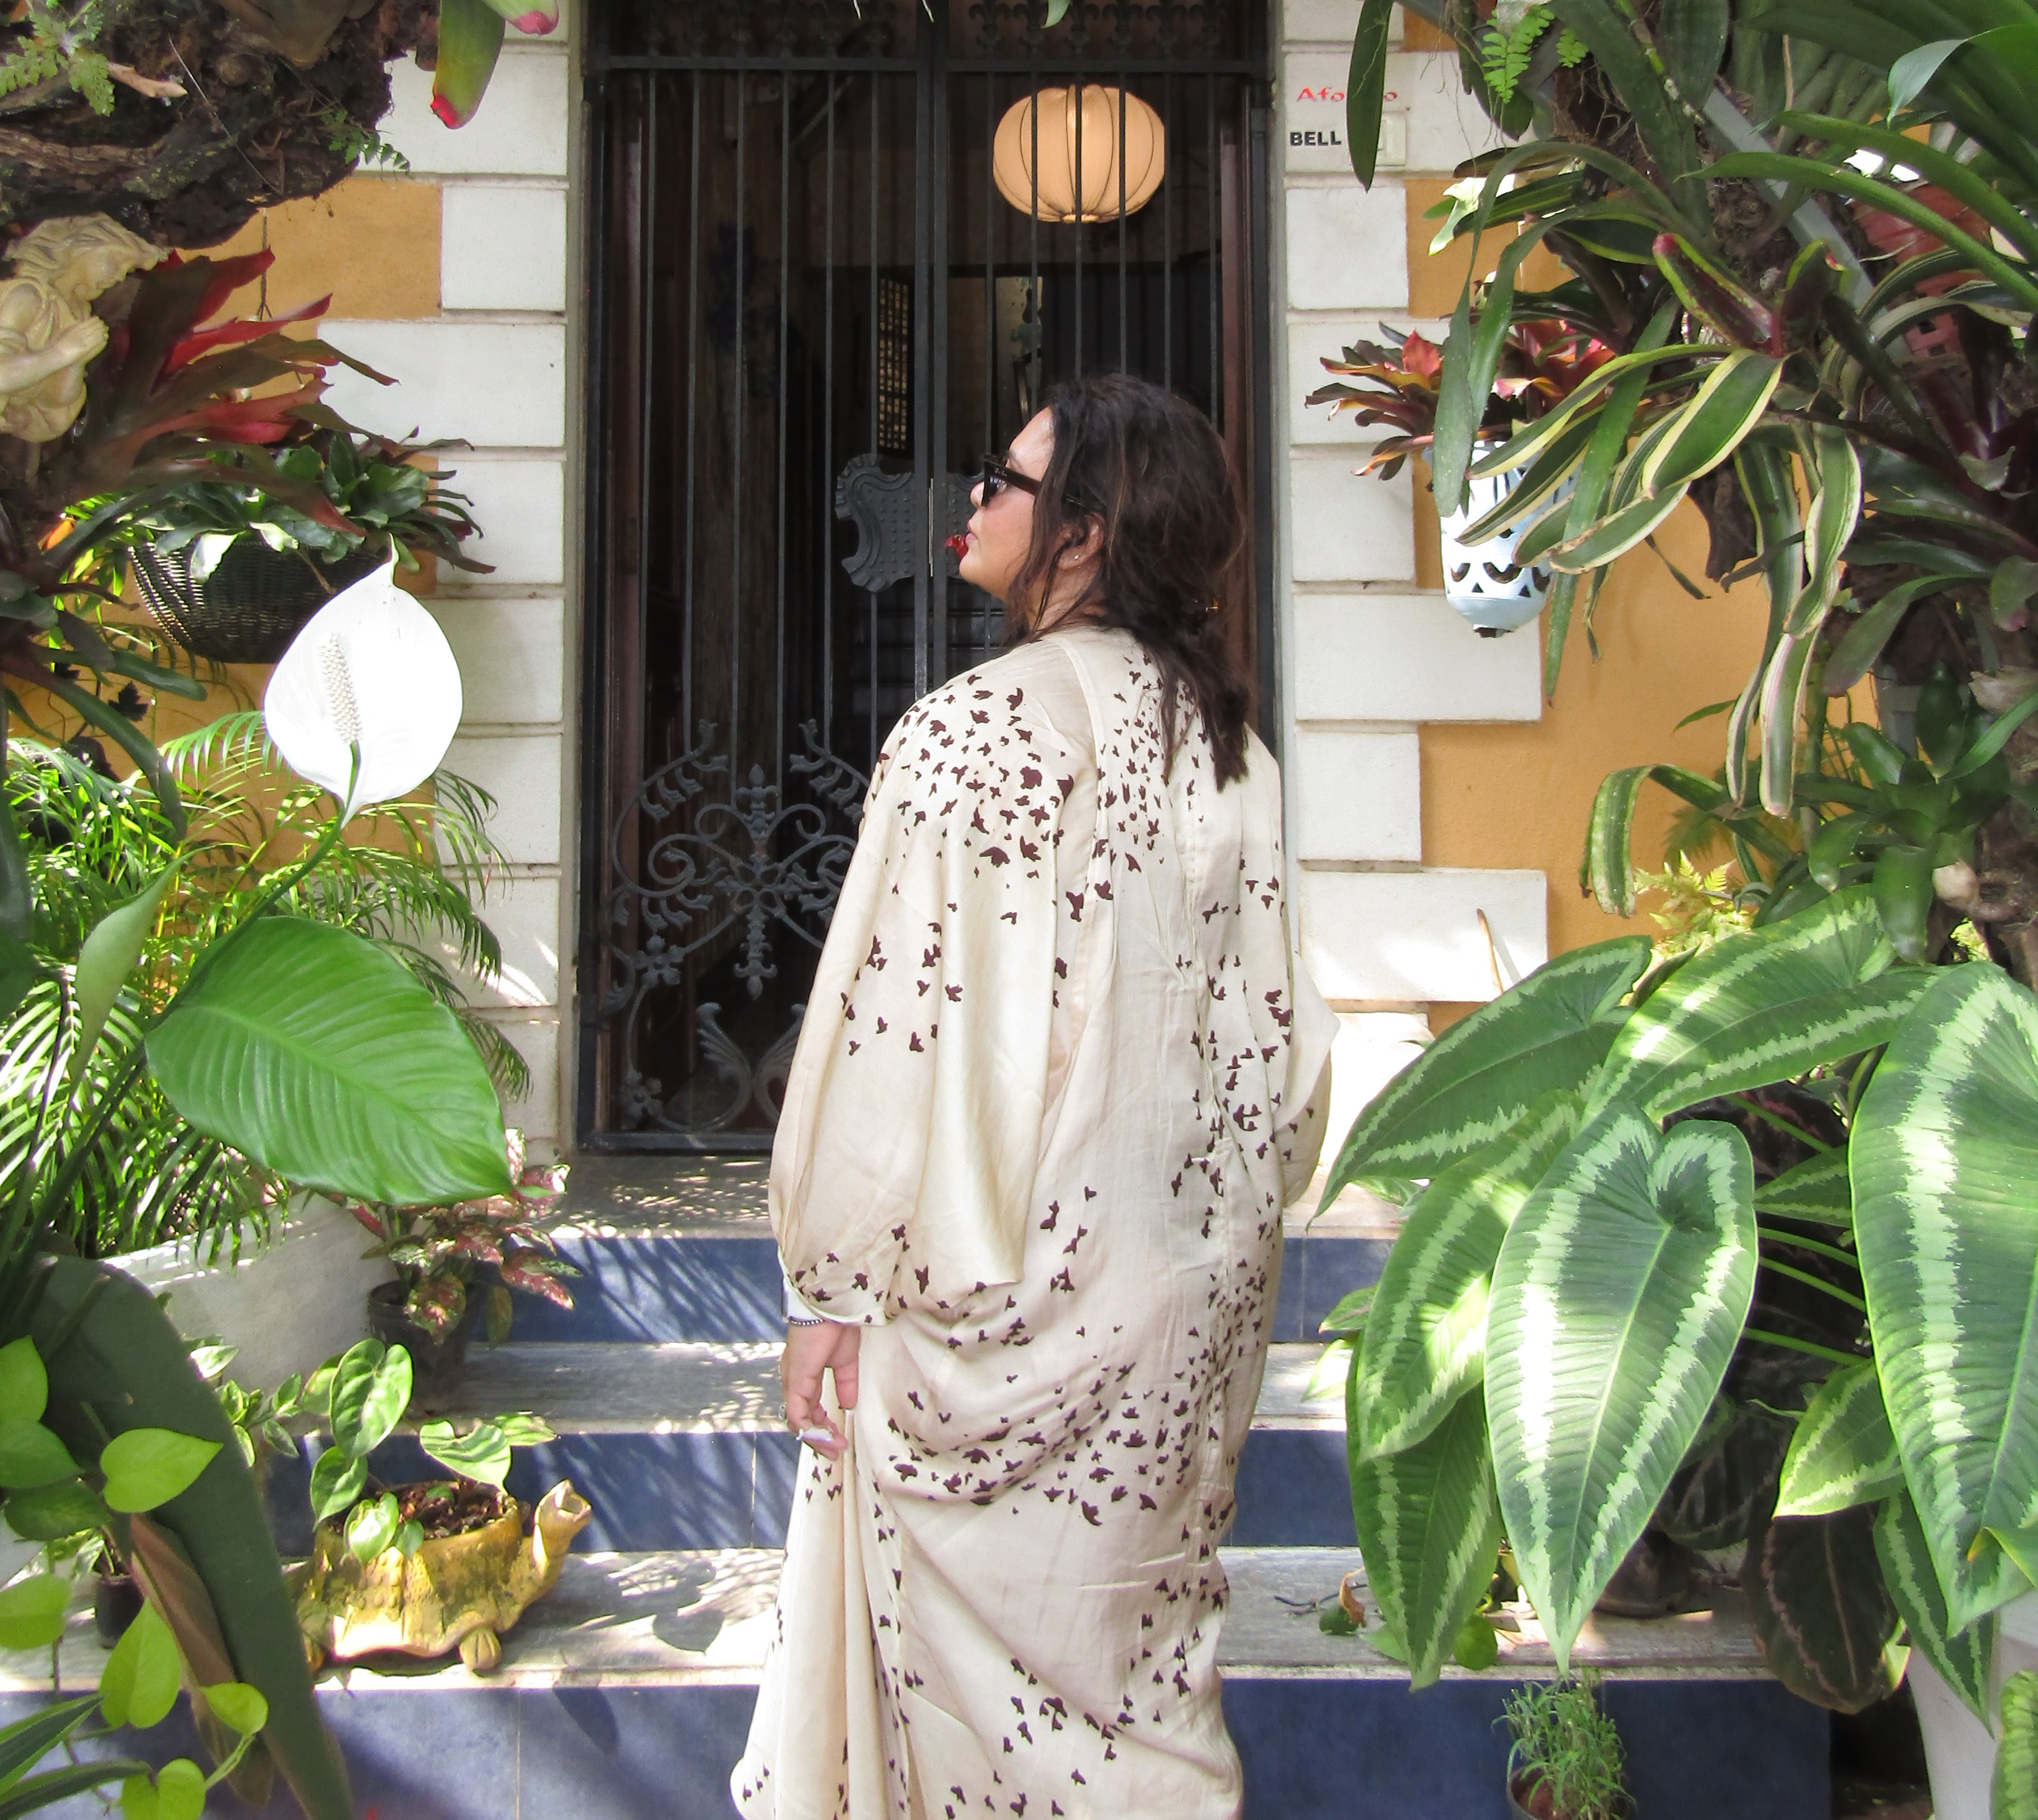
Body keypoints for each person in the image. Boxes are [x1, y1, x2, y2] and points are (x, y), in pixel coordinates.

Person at [733, 373, 1337, 1820]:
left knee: (977, 1721)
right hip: (1186, 1302)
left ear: (1085, 529)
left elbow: (900, 1037)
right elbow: (1282, 1060)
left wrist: (830, 1281)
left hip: (1020, 1307)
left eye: (1004, 479)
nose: (973, 500)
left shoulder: (977, 731)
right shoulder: (1227, 747)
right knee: (1140, 1673)